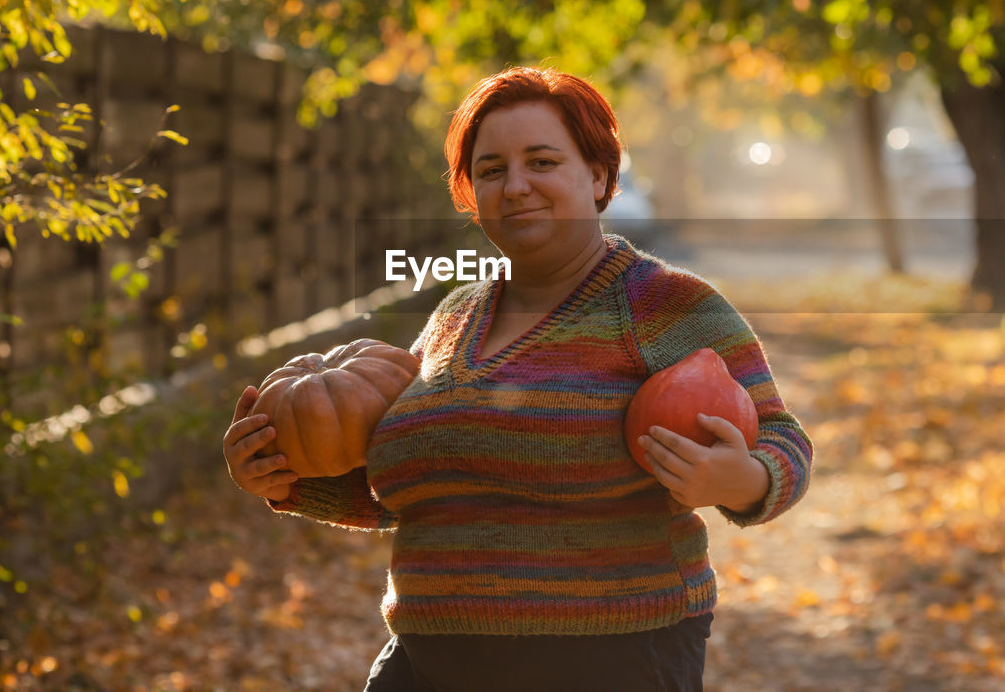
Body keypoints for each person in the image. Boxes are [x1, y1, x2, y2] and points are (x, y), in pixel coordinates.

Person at [223, 66, 813, 692]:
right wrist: (282, 479)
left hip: (611, 658)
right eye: (492, 169)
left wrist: (744, 479)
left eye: (542, 161)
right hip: (430, 660)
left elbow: (782, 439)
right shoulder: (455, 316)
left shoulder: (664, 305)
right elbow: (419, 487)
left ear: (598, 174)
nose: (516, 186)